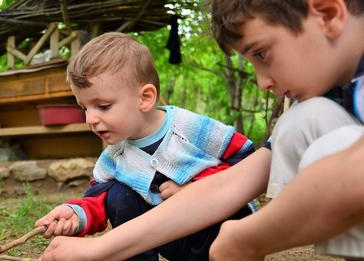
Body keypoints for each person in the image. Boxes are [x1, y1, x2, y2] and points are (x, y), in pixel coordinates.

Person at [39, 0, 364, 260]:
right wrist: (96, 245)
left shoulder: (187, 125)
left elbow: (353, 174)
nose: (263, 81)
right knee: (303, 121)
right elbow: (231, 184)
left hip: (221, 234)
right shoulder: (330, 97)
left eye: (262, 54)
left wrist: (246, 238)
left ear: (327, 13)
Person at [35, 32, 256, 261]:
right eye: (84, 108)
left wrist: (197, 186)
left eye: (102, 106)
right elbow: (96, 201)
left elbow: (247, 160)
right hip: (169, 237)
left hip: (221, 232)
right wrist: (75, 214)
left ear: (145, 97)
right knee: (117, 195)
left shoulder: (189, 127)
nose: (90, 119)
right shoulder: (113, 158)